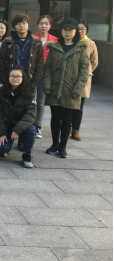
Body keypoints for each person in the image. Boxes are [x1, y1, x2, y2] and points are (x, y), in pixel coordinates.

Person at [43, 18, 90, 159]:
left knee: (67, 119)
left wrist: (78, 89)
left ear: (75, 32)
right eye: (65, 30)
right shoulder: (55, 47)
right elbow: (48, 68)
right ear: (61, 31)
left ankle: (62, 147)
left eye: (70, 30)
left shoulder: (81, 49)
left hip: (71, 90)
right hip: (55, 88)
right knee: (55, 118)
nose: (67, 33)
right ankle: (54, 144)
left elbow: (84, 71)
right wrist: (47, 85)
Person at [0, 66, 38, 169]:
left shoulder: (29, 93)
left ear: (23, 78)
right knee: (2, 148)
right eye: (12, 76)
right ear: (8, 77)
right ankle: (8, 142)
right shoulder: (1, 93)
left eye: (18, 76)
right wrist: (1, 133)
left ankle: (27, 155)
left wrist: (18, 129)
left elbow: (30, 115)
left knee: (32, 128)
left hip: (22, 126)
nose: (15, 79)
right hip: (8, 126)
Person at [0, 13, 44, 90]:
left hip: (30, 82)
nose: (21, 26)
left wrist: (34, 83)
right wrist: (5, 80)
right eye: (18, 24)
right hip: (11, 83)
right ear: (14, 27)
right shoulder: (7, 42)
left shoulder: (36, 42)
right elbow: (1, 62)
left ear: (28, 25)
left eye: (24, 23)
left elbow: (40, 64)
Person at [71, 19, 99, 141]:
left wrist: (86, 72)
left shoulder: (90, 43)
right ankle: (66, 129)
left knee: (79, 107)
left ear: (86, 30)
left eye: (83, 29)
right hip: (70, 77)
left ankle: (75, 130)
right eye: (78, 29)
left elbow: (94, 62)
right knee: (68, 106)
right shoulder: (71, 42)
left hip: (83, 79)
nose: (80, 31)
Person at [33, 15, 58, 139]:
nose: (44, 26)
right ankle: (29, 124)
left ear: (50, 26)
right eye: (41, 23)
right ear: (38, 24)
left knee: (40, 103)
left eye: (47, 24)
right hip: (32, 76)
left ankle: (38, 126)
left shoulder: (55, 40)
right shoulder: (32, 38)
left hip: (45, 77)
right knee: (30, 102)